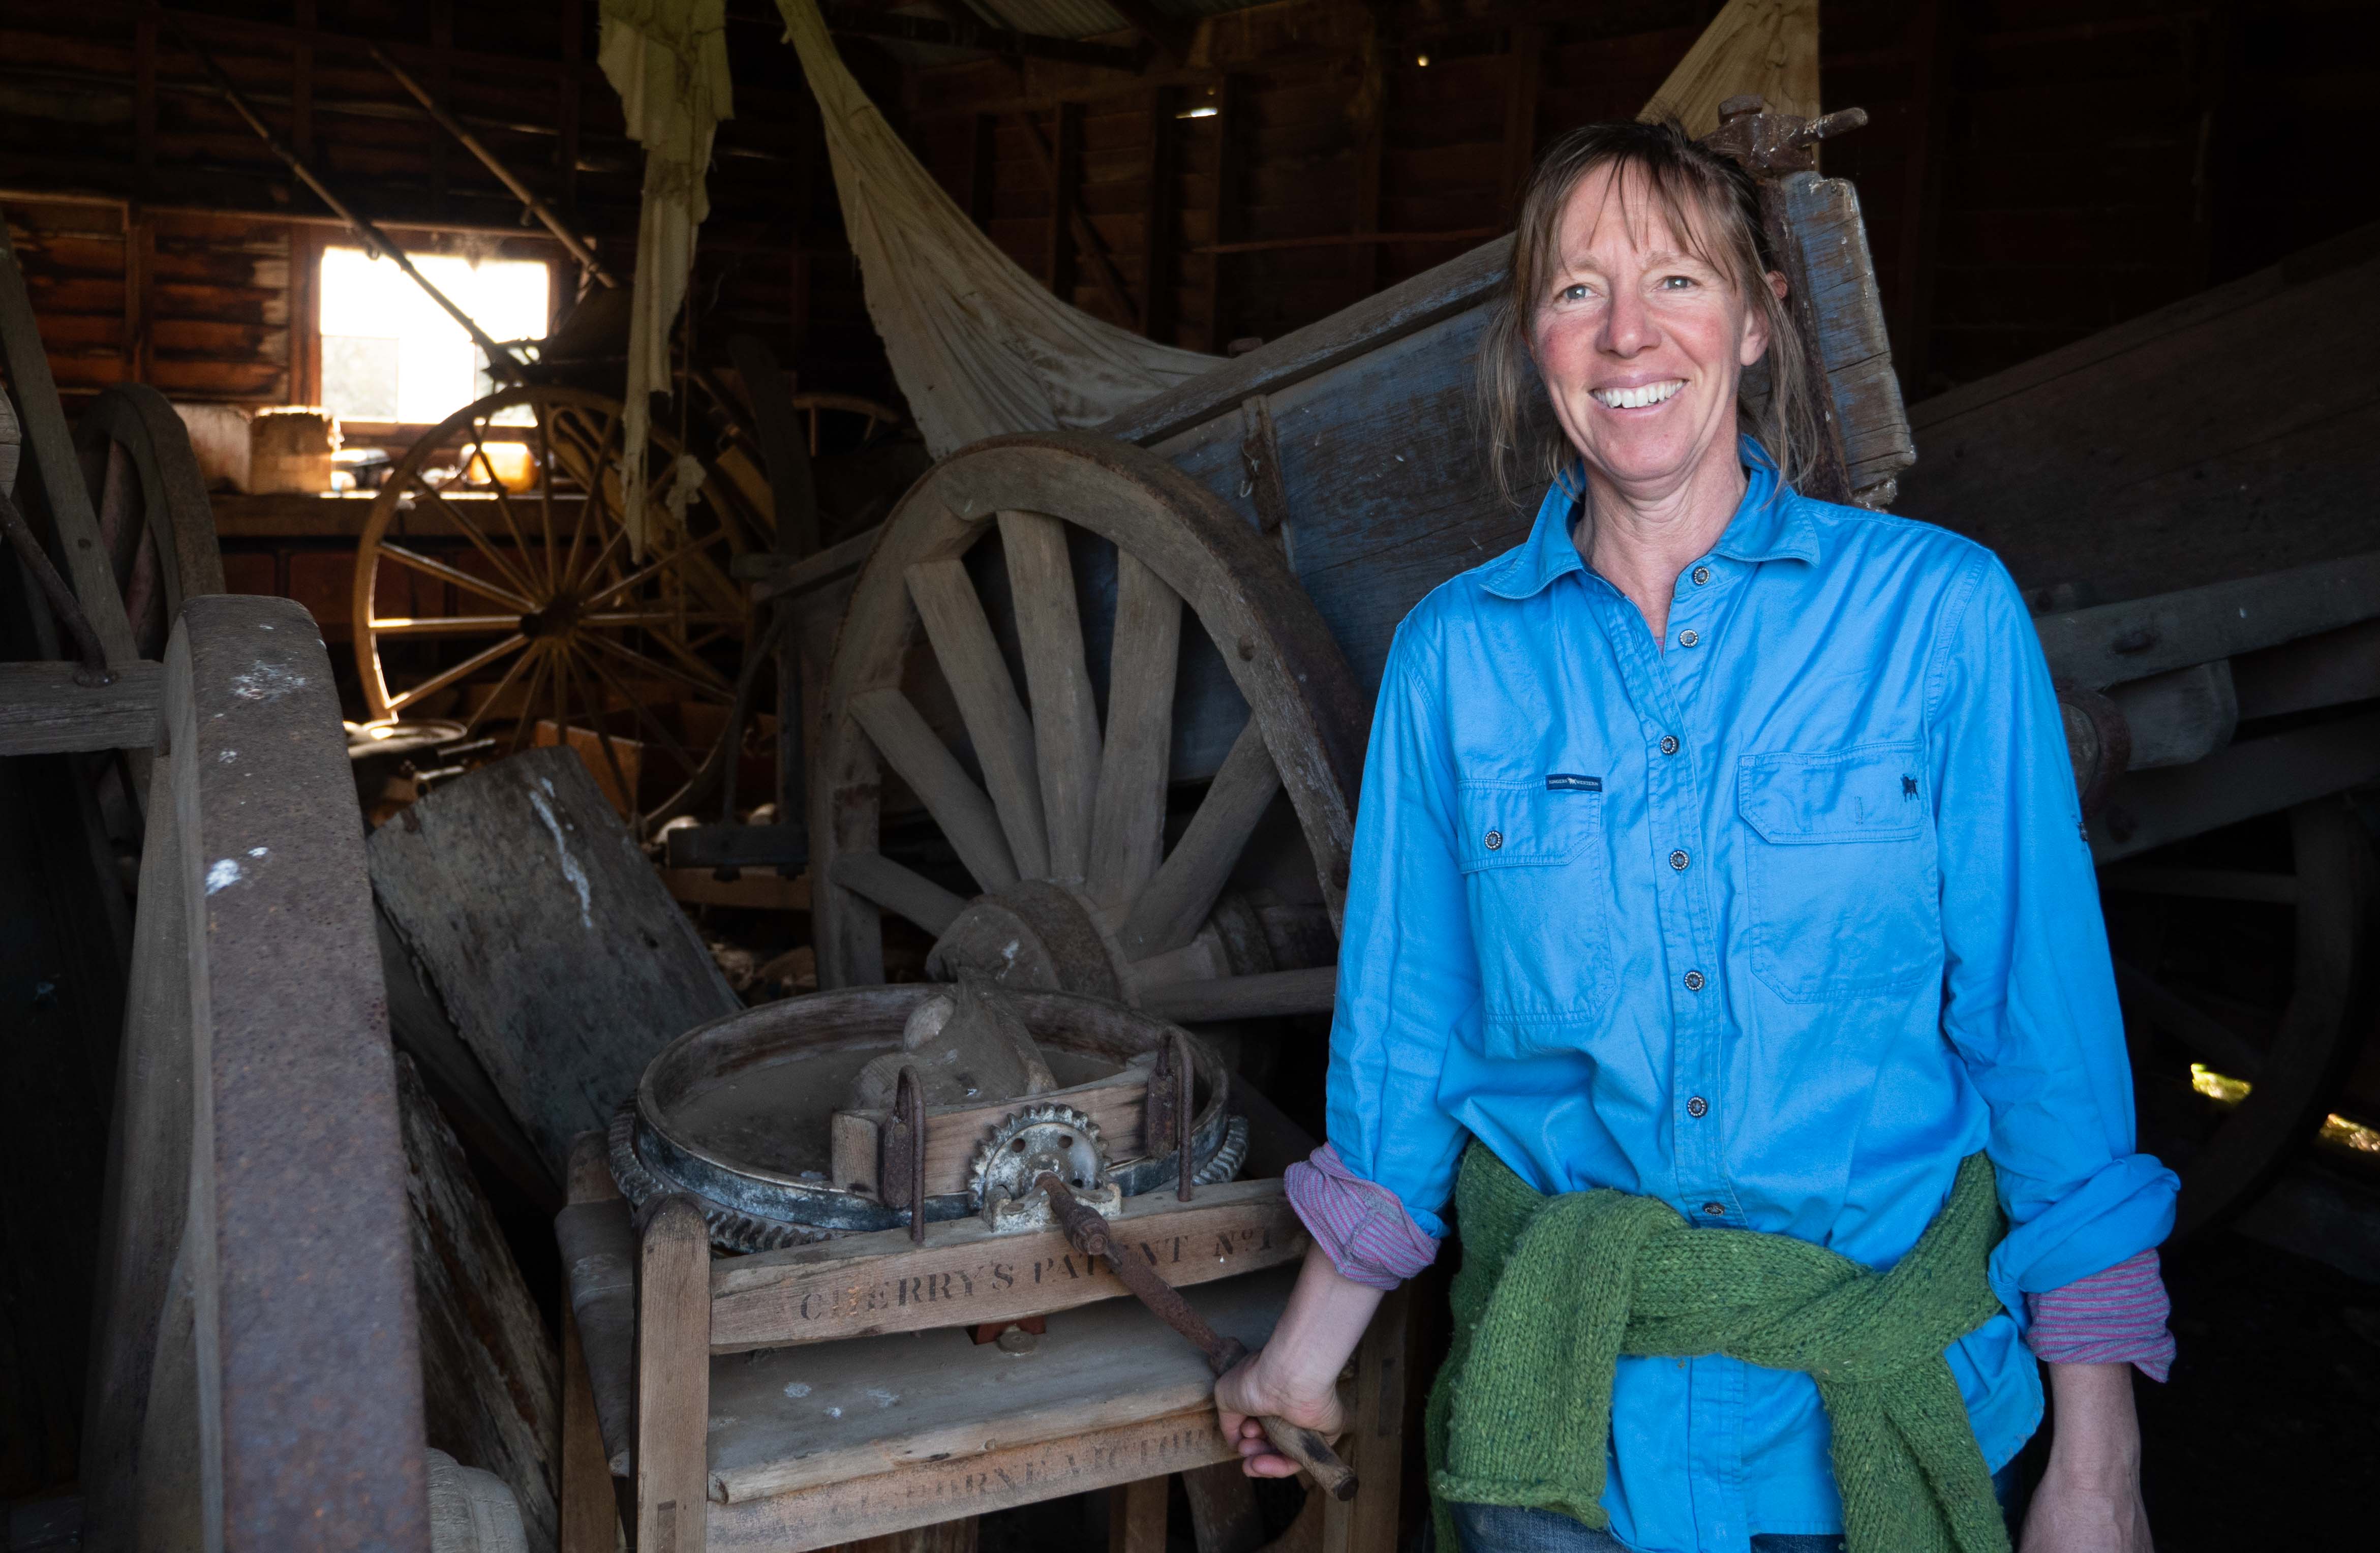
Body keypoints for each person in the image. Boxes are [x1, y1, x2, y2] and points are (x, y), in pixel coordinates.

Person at [1210, 120, 2178, 1553]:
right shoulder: (1455, 660)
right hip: (1568, 1441)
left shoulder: (1936, 617)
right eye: (1574, 292)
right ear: (1532, 345)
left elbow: (2042, 1035)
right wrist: (1303, 1351)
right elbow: (1410, 1042)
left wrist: (2097, 1466)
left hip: (1884, 1423)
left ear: (1753, 326)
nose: (1622, 336)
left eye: (1673, 280)